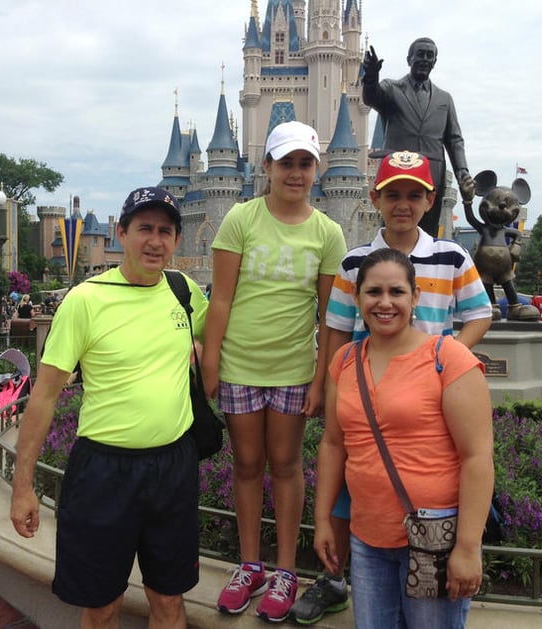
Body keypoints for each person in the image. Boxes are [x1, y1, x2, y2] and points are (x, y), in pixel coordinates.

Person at [290, 150, 492, 624]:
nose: (403, 204)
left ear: (429, 200)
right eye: (393, 194)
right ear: (374, 198)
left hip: (428, 392)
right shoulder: (355, 261)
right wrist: (323, 384)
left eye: (413, 195)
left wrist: (443, 361)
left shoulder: (450, 255)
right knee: (352, 491)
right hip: (361, 387)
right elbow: (336, 328)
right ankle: (337, 577)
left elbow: (479, 313)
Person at [10, 186, 207, 629]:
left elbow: (224, 332)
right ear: (121, 233)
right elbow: (43, 397)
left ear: (177, 240)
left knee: (169, 601)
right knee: (101, 607)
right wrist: (23, 485)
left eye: (166, 231)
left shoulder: (184, 292)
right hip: (104, 471)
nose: (155, 241)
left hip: (173, 467)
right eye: (144, 229)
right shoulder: (85, 300)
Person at [202, 120, 347, 622]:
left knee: (285, 465)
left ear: (317, 169)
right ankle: (250, 565)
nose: (296, 173)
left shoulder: (328, 232)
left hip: (291, 370)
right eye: (286, 163)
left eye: (305, 163)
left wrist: (321, 379)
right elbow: (220, 299)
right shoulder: (240, 219)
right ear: (266, 167)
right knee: (246, 464)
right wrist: (211, 362)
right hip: (241, 367)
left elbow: (332, 316)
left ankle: (285, 569)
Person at [314, 247, 494, 628]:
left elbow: (477, 458)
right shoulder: (345, 361)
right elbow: (333, 443)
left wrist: (467, 547)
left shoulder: (448, 358)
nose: (384, 303)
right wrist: (323, 519)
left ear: (415, 297)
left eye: (396, 292)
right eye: (373, 292)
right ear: (358, 297)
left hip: (434, 539)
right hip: (367, 539)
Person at [362, 38, 473, 238]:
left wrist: (463, 172)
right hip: (398, 171)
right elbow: (372, 98)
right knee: (394, 230)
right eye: (420, 54)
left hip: (432, 172)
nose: (425, 59)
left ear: (435, 61)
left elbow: (454, 140)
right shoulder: (392, 89)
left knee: (428, 236)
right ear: (409, 59)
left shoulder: (444, 99)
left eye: (430, 55)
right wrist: (371, 78)